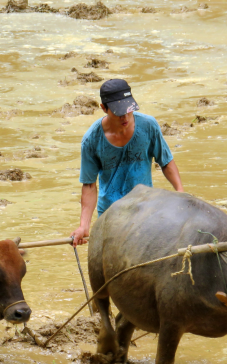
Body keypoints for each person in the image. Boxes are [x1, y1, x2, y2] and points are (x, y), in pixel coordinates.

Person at [71, 79, 183, 246]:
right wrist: (84, 226)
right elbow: (89, 185)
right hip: (111, 213)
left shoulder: (148, 126)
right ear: (104, 108)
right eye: (118, 112)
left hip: (145, 209)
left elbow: (165, 162)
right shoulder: (91, 140)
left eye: (129, 110)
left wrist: (181, 193)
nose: (125, 116)